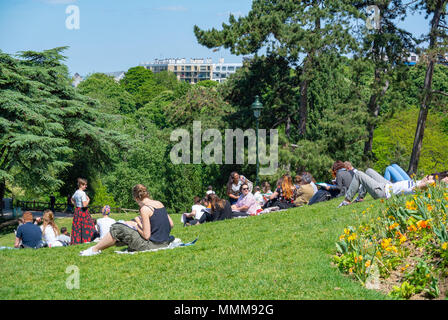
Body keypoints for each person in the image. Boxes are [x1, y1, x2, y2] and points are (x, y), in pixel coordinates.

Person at [80, 184, 174, 256]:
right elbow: (171, 224)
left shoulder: (145, 209)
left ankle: (94, 250)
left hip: (152, 245)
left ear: (136, 198)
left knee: (117, 228)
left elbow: (146, 235)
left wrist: (137, 225)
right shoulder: (159, 203)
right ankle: (97, 248)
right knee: (126, 228)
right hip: (164, 242)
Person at [338, 168, 446, 207]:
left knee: (359, 174)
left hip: (383, 192)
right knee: (369, 171)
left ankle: (346, 201)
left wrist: (433, 181)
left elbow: (435, 184)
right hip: (387, 184)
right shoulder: (421, 182)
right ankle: (360, 197)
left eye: (428, 177)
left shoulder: (427, 185)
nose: (425, 177)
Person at [70, 178, 96, 245]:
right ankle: (87, 239)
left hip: (77, 210)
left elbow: (72, 199)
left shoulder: (76, 192)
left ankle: (77, 241)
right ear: (81, 185)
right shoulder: (83, 193)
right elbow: (84, 205)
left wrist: (76, 205)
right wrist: (88, 200)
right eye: (85, 185)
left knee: (77, 226)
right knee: (87, 226)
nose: (86, 186)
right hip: (83, 211)